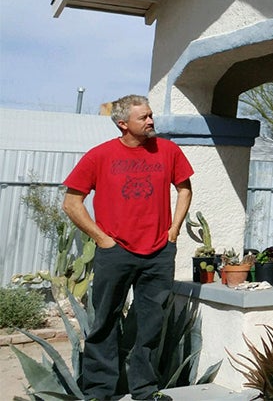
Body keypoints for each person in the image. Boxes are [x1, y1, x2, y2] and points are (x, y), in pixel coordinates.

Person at [62, 94, 193, 401]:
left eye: (150, 115)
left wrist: (173, 231)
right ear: (122, 124)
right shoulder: (99, 156)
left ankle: (145, 391)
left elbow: (185, 189)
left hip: (159, 253)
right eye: (143, 118)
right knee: (104, 322)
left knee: (151, 325)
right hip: (115, 251)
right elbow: (71, 203)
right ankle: (98, 392)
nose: (151, 121)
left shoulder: (168, 151)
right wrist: (102, 239)